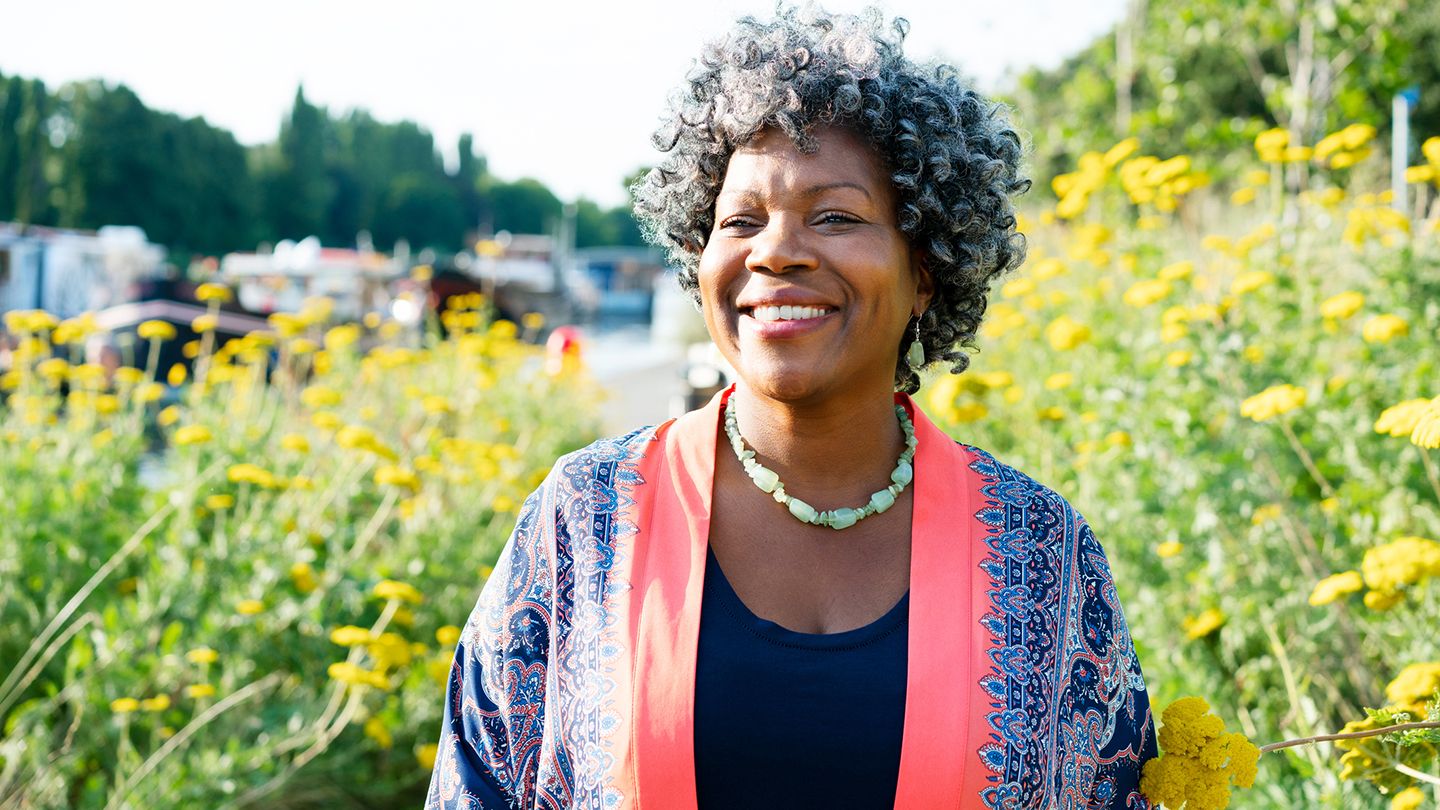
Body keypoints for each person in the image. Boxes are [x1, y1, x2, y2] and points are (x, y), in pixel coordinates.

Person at [426, 6, 1156, 809]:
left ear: (927, 272)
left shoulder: (1043, 553)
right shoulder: (585, 521)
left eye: (836, 216)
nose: (774, 250)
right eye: (739, 221)